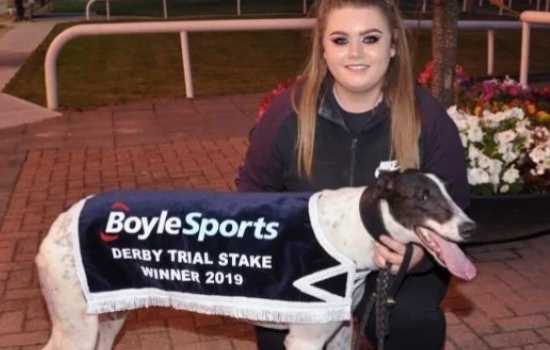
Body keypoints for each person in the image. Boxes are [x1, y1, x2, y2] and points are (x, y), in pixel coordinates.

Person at [236, 0, 469, 349]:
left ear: (392, 46)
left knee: (413, 320)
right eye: (341, 40)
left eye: (371, 39)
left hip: (396, 267)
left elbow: (455, 205)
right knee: (276, 330)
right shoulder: (287, 114)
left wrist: (418, 252)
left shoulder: (428, 119)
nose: (355, 53)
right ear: (323, 49)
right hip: (308, 262)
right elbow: (251, 199)